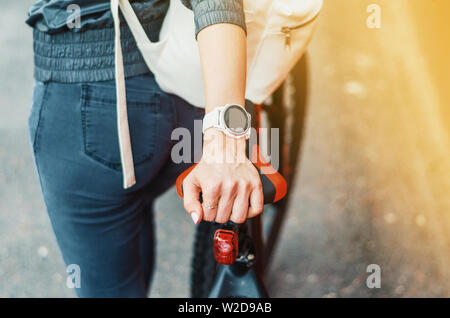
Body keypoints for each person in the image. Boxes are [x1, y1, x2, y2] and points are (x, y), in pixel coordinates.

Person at [26, 0, 263, 297]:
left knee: (111, 284)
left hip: (90, 110)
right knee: (131, 207)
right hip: (189, 93)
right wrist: (225, 134)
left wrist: (225, 141)